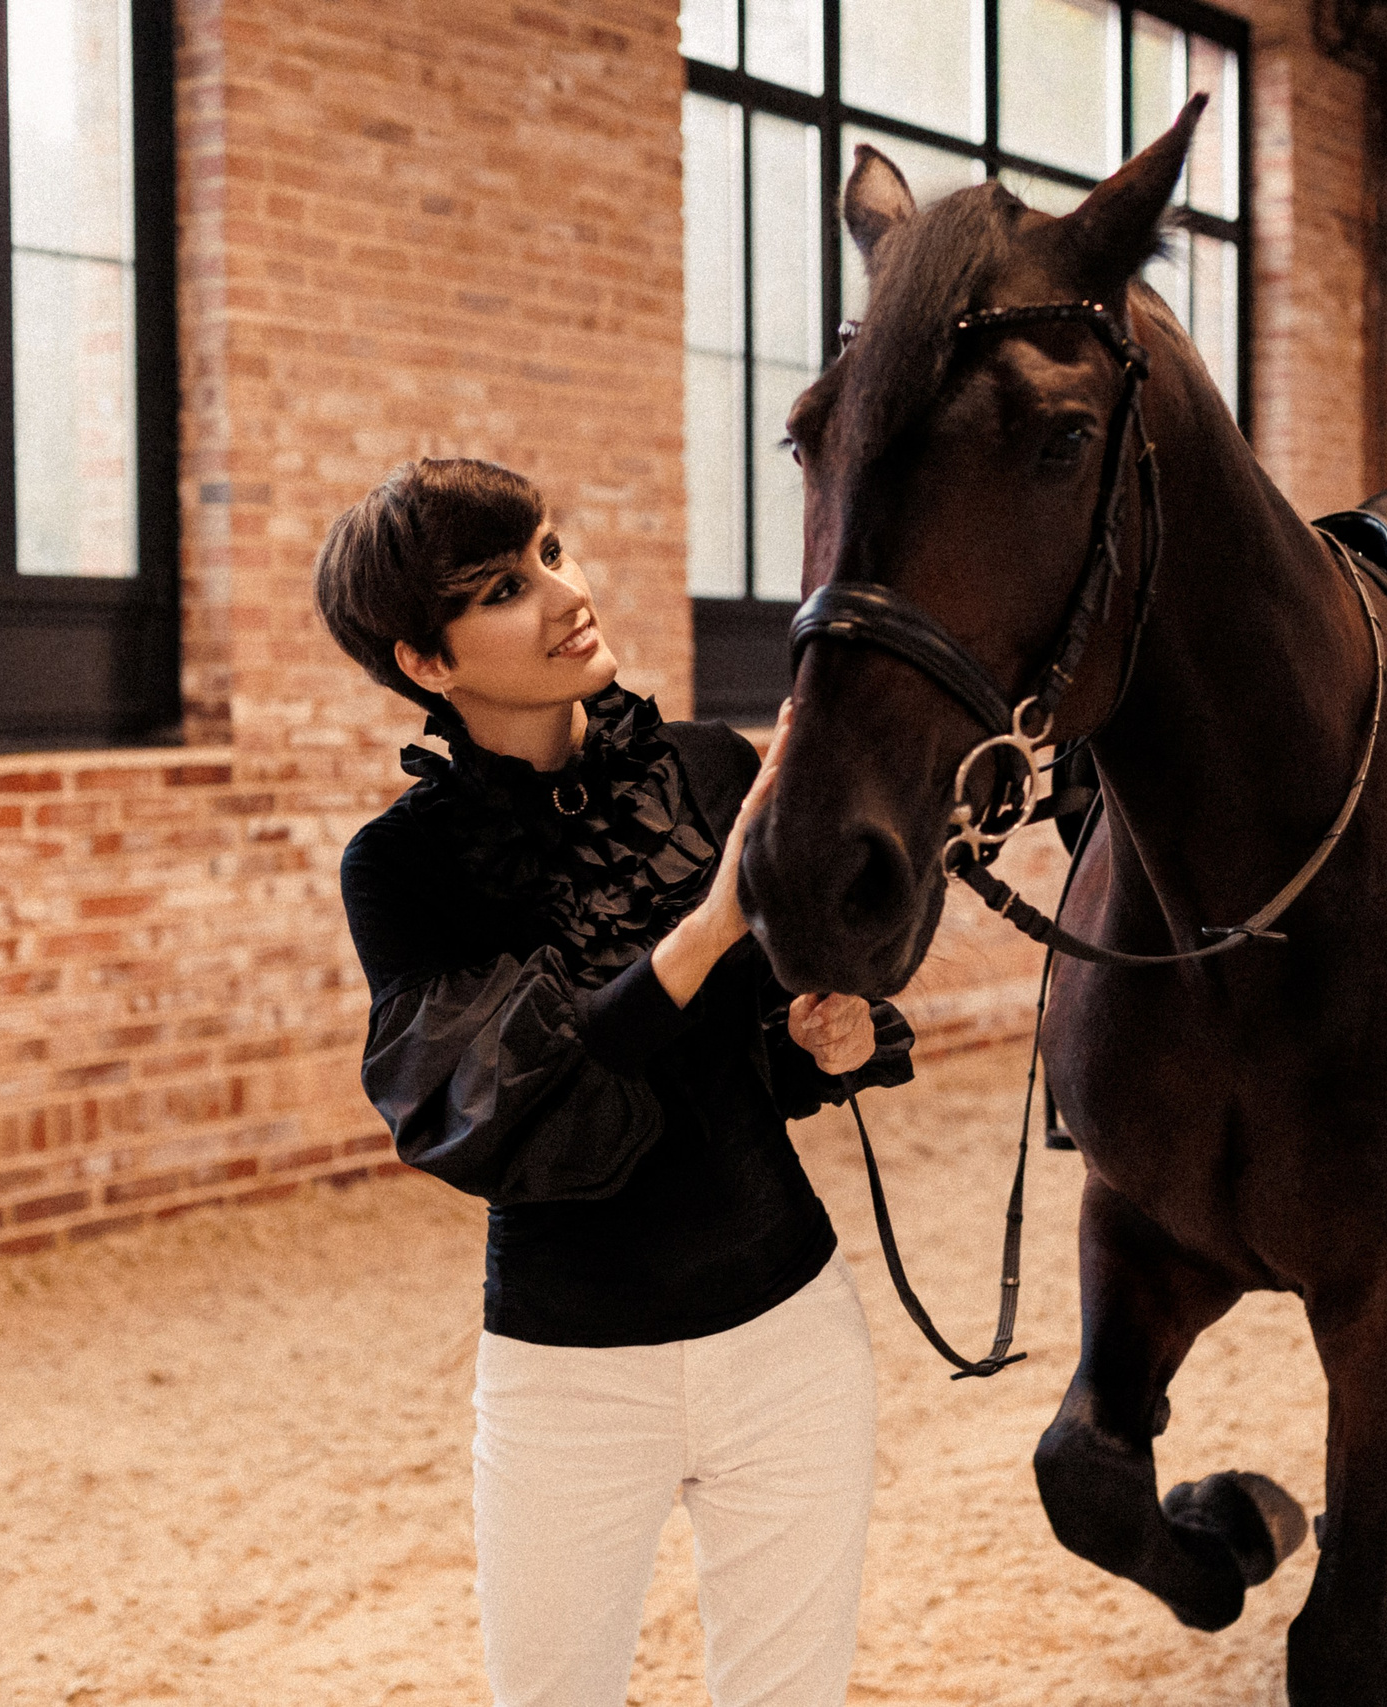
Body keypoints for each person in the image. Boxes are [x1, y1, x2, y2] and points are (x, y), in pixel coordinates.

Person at [315, 458, 911, 1707]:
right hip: (569, 1376)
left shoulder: (706, 770)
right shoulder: (401, 867)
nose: (559, 592)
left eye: (549, 549)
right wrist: (708, 924)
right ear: (425, 662)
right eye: (498, 588)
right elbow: (517, 1108)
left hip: (791, 1334)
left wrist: (831, 1035)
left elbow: (760, 1043)